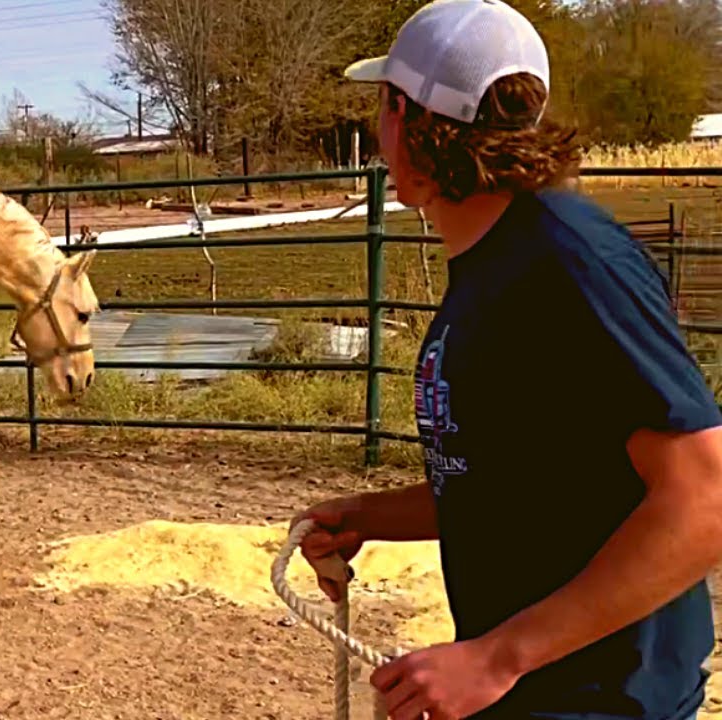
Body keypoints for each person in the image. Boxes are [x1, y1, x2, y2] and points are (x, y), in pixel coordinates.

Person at [295, 1, 722, 718]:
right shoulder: (500, 258)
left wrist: (496, 659)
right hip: (538, 687)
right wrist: (371, 514)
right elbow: (522, 483)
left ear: (403, 114)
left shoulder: (570, 260)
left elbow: (705, 498)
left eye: (381, 108)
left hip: (600, 697)